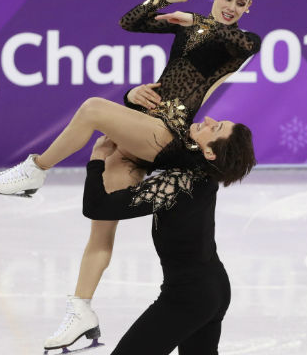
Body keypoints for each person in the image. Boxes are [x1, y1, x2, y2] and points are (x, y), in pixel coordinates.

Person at [0, 0, 262, 349]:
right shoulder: (186, 30)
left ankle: (36, 169)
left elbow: (233, 38)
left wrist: (195, 20)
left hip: (172, 134)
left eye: (241, 3)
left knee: (94, 109)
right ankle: (81, 310)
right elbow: (129, 22)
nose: (233, 7)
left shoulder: (243, 42)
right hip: (147, 124)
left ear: (249, 8)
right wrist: (163, 0)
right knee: (103, 219)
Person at [79, 130, 256, 355]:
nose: (209, 121)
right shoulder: (201, 169)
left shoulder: (178, 184)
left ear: (210, 152)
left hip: (189, 296)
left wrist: (97, 158)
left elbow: (97, 207)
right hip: (214, 288)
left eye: (216, 127)